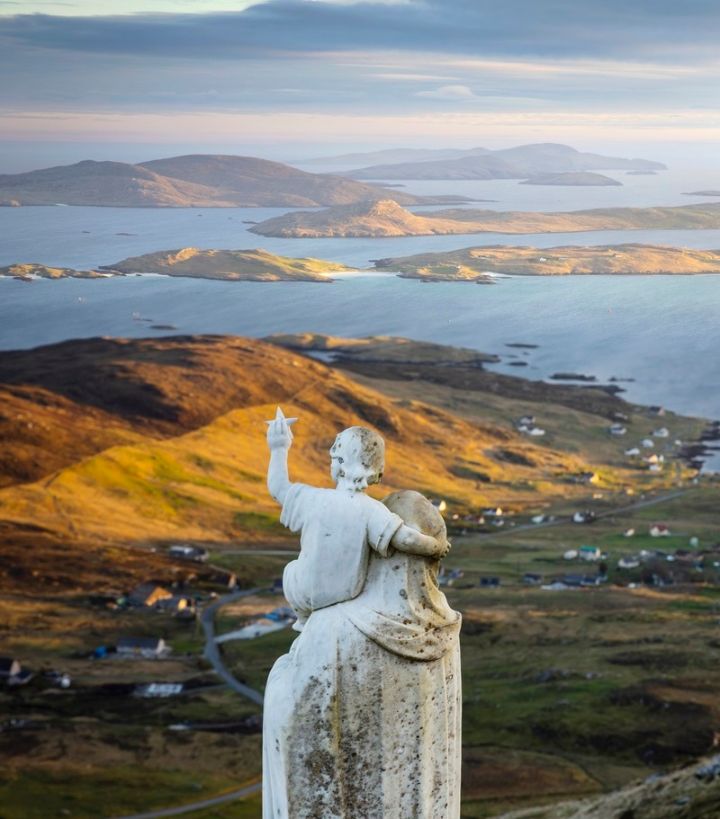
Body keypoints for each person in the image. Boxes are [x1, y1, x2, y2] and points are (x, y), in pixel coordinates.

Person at [263, 409, 462, 819]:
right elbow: (407, 538)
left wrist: (279, 448)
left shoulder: (335, 627)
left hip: (311, 599)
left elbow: (297, 724)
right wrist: (435, 547)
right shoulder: (444, 634)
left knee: (286, 663)